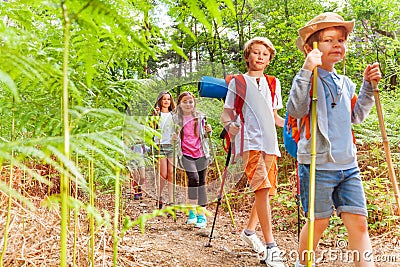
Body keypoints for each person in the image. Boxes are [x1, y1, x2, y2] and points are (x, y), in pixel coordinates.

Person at [287, 12, 381, 267]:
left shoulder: (345, 82)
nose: (337, 45)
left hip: (348, 165)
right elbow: (295, 110)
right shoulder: (308, 79)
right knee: (318, 222)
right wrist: (307, 69)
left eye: (341, 40)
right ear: (311, 47)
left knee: (359, 222)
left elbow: (357, 115)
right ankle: (303, 263)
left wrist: (368, 86)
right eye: (329, 40)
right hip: (318, 165)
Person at [221, 37, 286, 267]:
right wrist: (230, 126)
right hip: (249, 142)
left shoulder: (273, 82)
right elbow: (226, 114)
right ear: (248, 56)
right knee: (262, 187)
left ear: (269, 59)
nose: (260, 57)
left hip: (271, 143)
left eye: (264, 54)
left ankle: (249, 232)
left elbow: (276, 116)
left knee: (266, 193)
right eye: (256, 53)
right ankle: (271, 247)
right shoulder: (237, 82)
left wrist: (294, 125)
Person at [172, 91, 212, 229]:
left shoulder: (201, 117)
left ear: (194, 103)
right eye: (185, 102)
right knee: (193, 178)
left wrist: (208, 131)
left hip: (201, 153)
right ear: (180, 104)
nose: (188, 104)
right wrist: (174, 138)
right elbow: (171, 134)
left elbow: (206, 136)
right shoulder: (176, 119)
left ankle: (201, 215)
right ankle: (192, 212)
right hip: (186, 154)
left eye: (190, 101)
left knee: (202, 183)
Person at [151, 91, 176, 208]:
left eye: (168, 99)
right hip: (160, 145)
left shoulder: (174, 115)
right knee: (163, 174)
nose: (166, 101)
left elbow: (178, 128)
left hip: (171, 145)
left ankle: (171, 200)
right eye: (164, 99)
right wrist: (155, 117)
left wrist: (177, 135)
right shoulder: (156, 114)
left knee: (171, 173)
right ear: (160, 101)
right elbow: (151, 128)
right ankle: (159, 196)